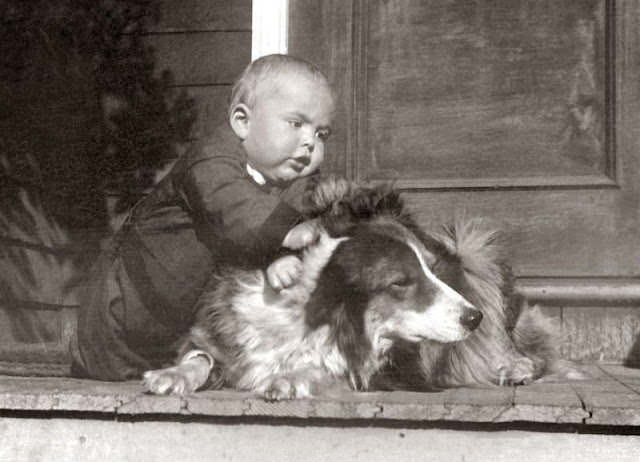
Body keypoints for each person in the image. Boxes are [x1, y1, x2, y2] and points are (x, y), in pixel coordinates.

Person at [70, 54, 336, 380]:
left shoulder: (285, 185)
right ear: (242, 121)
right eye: (296, 124)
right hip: (120, 317)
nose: (310, 142)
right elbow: (237, 210)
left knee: (192, 360)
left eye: (322, 134)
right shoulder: (211, 160)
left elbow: (254, 237)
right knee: (112, 372)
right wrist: (299, 233)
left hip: (175, 332)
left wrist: (278, 257)